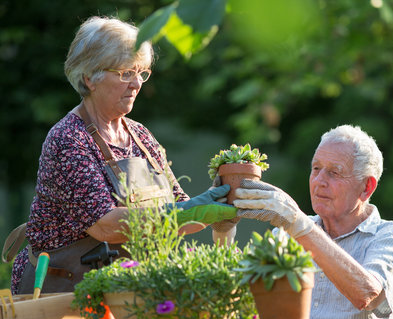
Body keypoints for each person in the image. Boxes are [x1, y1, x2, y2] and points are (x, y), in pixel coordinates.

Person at [7, 16, 236, 295]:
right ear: (90, 77)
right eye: (126, 72)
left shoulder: (140, 135)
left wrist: (223, 200)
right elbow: (106, 226)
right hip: (66, 297)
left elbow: (179, 209)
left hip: (130, 295)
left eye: (142, 72)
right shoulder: (69, 139)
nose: (137, 83)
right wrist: (189, 212)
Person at [234, 124, 393, 319]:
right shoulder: (288, 231)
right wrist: (225, 229)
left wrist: (300, 226)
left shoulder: (391, 235)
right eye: (316, 168)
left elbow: (370, 297)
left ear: (366, 187)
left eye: (334, 173)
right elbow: (241, 296)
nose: (319, 181)